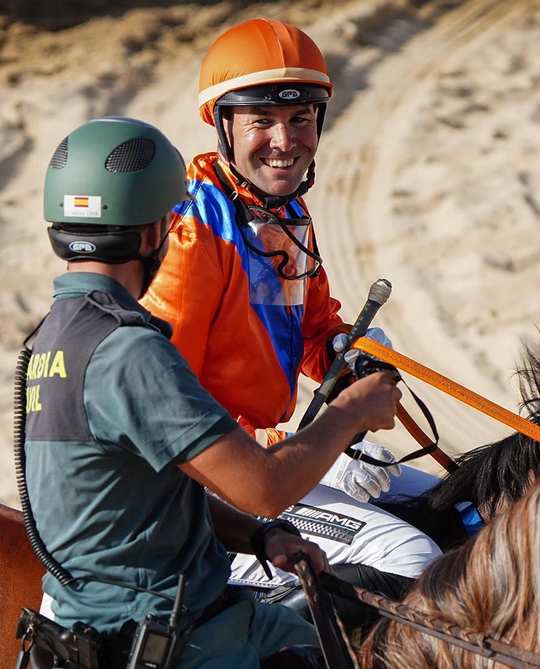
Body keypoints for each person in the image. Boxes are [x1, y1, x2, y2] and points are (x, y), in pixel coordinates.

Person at [23, 116, 403, 669]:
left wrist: (260, 540)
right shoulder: (130, 350)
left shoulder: (55, 337)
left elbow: (144, 490)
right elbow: (263, 478)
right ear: (158, 225)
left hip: (201, 611)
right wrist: (352, 413)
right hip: (155, 664)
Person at [141, 18, 441, 597]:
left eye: (300, 118)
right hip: (207, 487)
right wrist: (309, 450)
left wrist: (345, 353)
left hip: (263, 462)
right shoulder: (192, 234)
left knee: (453, 507)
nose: (285, 141)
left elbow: (312, 329)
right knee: (412, 558)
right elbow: (164, 404)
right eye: (262, 121)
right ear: (222, 126)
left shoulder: (283, 215)